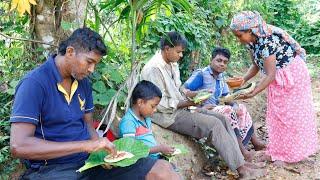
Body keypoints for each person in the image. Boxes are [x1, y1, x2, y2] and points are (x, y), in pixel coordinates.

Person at [9, 27, 179, 180]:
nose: (92, 70)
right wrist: (86, 146)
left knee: (163, 170)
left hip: (89, 163)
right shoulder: (34, 84)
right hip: (53, 169)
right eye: (89, 62)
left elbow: (88, 125)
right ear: (70, 52)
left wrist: (102, 150)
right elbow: (19, 146)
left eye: (95, 64)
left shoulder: (83, 82)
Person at [141, 31, 266, 179]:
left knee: (223, 119)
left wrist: (194, 96)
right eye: (178, 52)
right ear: (167, 49)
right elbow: (159, 104)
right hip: (167, 115)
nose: (181, 55)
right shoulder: (154, 69)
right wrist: (188, 102)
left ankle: (242, 161)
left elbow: (179, 89)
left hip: (182, 107)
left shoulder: (171, 64)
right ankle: (241, 170)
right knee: (214, 125)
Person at [230, 11, 318, 164]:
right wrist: (243, 79)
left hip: (291, 73)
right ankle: (279, 151)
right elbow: (256, 65)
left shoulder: (266, 40)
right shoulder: (252, 41)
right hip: (279, 76)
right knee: (278, 114)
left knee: (290, 115)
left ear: (250, 30)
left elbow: (270, 75)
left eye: (239, 36)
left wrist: (253, 92)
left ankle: (292, 154)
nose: (238, 40)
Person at [183, 47, 266, 162]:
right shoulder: (202, 74)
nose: (222, 64)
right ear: (211, 60)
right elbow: (184, 91)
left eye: (225, 62)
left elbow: (226, 97)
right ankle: (243, 152)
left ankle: (255, 143)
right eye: (219, 60)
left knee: (241, 108)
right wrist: (199, 103)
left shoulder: (221, 77)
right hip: (200, 110)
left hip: (215, 109)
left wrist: (235, 106)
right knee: (228, 111)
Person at [119, 80, 175, 159]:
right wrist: (159, 149)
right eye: (153, 106)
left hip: (154, 158)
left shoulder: (146, 118)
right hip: (141, 163)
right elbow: (130, 150)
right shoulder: (128, 122)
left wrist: (160, 150)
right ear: (140, 102)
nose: (155, 110)